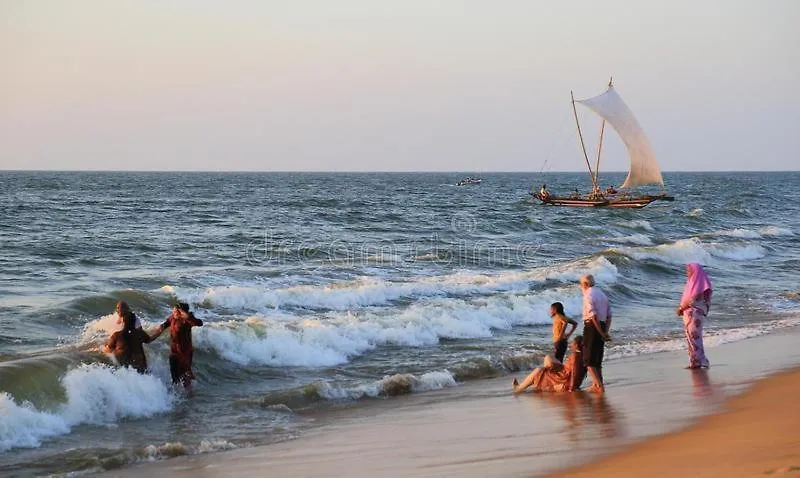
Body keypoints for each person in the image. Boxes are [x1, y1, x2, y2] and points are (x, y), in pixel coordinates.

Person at [155, 302, 204, 389]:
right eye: (173, 311)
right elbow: (166, 323)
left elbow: (200, 323)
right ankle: (176, 393)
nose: (173, 313)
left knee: (185, 376)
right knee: (174, 376)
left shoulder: (187, 320)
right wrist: (160, 328)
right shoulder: (173, 318)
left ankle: (189, 395)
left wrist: (186, 315)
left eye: (175, 311)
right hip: (174, 351)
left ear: (181, 312)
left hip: (185, 352)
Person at [512, 336, 585, 393]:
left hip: (563, 380)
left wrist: (571, 388)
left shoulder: (575, 355)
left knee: (538, 371)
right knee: (548, 359)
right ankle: (545, 373)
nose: (571, 345)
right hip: (564, 377)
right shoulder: (583, 355)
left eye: (572, 343)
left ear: (576, 345)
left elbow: (575, 372)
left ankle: (519, 388)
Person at [579, 274, 612, 393]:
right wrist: (605, 332)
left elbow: (593, 316)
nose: (580, 287)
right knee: (597, 358)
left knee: (588, 360)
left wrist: (600, 333)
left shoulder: (588, 295)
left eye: (581, 284)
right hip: (602, 325)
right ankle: (598, 383)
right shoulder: (602, 294)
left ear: (585, 284)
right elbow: (609, 315)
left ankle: (599, 385)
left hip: (592, 327)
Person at [676, 263, 712, 369]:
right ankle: (695, 361)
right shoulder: (693, 283)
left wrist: (681, 308)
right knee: (692, 337)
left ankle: (701, 360)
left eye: (689, 270)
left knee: (694, 336)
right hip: (692, 314)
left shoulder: (697, 284)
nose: (687, 272)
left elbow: (693, 301)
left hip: (694, 314)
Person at [103, 309, 159, 373]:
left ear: (123, 322)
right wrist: (159, 332)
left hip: (124, 368)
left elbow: (109, 348)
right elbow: (149, 340)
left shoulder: (117, 335)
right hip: (140, 367)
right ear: (134, 322)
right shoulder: (140, 333)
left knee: (106, 350)